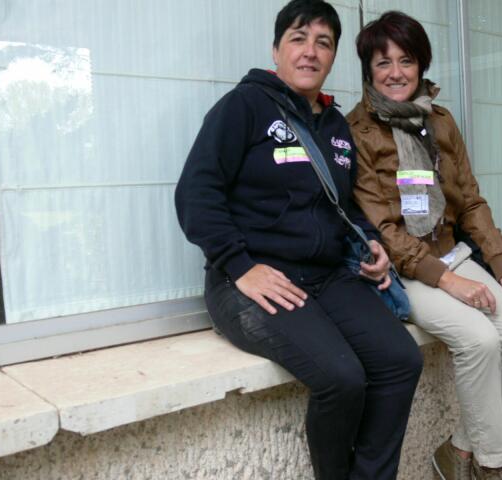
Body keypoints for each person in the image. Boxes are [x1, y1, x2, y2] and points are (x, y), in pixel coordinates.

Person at [175, 2, 423, 479]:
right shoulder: (243, 107)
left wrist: (371, 242)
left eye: (323, 43)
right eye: (298, 38)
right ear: (276, 50)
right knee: (342, 378)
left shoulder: (334, 126)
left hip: (326, 277)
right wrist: (240, 266)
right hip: (248, 278)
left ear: (332, 58)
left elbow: (343, 205)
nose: (310, 51)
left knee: (400, 361)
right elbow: (196, 194)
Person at [346, 11, 502, 480]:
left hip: (451, 251)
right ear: (369, 71)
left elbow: (469, 200)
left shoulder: (441, 121)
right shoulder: (356, 131)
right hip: (404, 268)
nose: (396, 73)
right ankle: (491, 467)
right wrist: (448, 281)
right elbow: (382, 228)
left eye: (406, 60)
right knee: (479, 340)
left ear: (421, 65)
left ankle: (457, 452)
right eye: (383, 63)